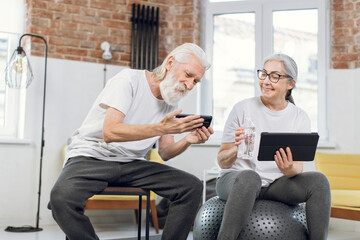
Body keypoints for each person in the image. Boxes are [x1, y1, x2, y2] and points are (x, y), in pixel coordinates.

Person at [49, 43, 214, 240]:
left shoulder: (171, 102)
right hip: (91, 157)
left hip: (132, 164)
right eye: (188, 75)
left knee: (191, 187)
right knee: (61, 199)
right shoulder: (129, 80)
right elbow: (110, 132)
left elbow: (165, 153)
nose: (189, 85)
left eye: (195, 81)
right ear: (170, 63)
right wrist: (161, 128)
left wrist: (188, 140)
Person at [216, 53, 331, 240]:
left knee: (319, 182)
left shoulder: (299, 117)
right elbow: (222, 162)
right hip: (236, 181)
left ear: (290, 84)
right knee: (249, 178)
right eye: (264, 74)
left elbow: (298, 167)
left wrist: (289, 169)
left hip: (275, 184)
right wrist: (237, 149)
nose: (266, 81)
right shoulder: (242, 108)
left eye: (275, 76)